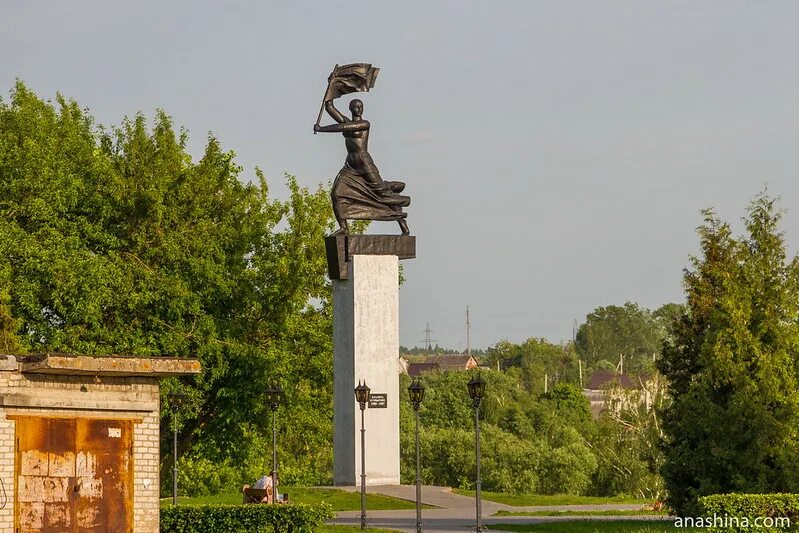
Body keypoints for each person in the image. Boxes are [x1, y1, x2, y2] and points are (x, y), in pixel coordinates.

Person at [314, 98, 410, 236]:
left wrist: (322, 129)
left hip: (365, 164)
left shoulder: (364, 123)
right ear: (351, 108)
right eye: (356, 106)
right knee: (336, 193)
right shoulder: (347, 121)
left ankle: (402, 223)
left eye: (361, 106)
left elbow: (343, 128)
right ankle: (344, 227)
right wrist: (330, 97)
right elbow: (330, 108)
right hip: (350, 167)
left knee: (382, 194)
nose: (359, 108)